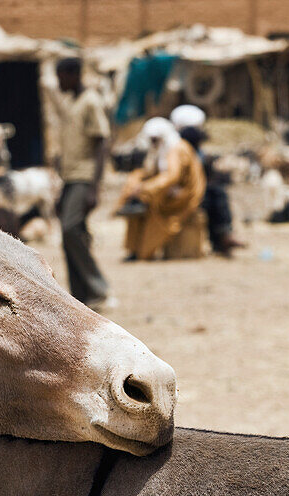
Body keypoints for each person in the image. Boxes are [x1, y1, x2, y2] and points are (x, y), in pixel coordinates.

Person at [42, 57, 114, 310]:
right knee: (71, 234)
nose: (59, 82)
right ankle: (81, 295)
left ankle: (99, 288)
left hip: (85, 176)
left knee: (72, 229)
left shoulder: (91, 101)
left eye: (61, 77)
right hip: (71, 178)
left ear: (73, 75)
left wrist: (95, 187)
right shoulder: (71, 101)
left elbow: (102, 142)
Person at [118, 117, 206, 261]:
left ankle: (144, 252)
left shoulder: (178, 149)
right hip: (167, 193)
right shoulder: (161, 149)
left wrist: (146, 188)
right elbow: (150, 171)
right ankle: (135, 250)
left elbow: (172, 177)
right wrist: (135, 184)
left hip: (183, 197)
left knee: (150, 207)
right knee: (135, 200)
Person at [171, 104, 245, 257]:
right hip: (184, 194)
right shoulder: (181, 149)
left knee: (216, 193)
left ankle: (222, 237)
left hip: (194, 191)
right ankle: (223, 237)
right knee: (215, 195)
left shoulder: (189, 149)